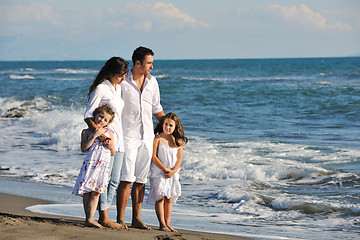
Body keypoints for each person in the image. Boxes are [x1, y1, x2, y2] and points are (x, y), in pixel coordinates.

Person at [117, 46, 165, 229]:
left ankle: (136, 219)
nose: (152, 66)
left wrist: (173, 127)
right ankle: (120, 219)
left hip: (147, 138)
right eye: (149, 63)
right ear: (138, 63)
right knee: (126, 179)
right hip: (127, 137)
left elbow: (156, 108)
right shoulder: (122, 81)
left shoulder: (153, 82)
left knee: (140, 181)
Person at [83, 56, 129, 228]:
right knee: (105, 178)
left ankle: (105, 214)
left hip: (119, 139)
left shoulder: (117, 88)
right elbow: (88, 115)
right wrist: (101, 134)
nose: (124, 78)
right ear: (111, 73)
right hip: (104, 141)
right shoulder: (101, 89)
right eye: (121, 75)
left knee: (115, 179)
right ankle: (104, 217)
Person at [72, 105, 116, 229]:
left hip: (102, 167)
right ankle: (88, 218)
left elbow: (113, 152)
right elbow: (84, 148)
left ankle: (91, 218)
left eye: (105, 120)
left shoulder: (110, 133)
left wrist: (110, 145)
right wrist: (95, 135)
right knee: (87, 192)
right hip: (91, 165)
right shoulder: (86, 132)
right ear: (95, 116)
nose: (102, 120)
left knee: (96, 192)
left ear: (108, 122)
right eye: (100, 116)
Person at [147, 112, 188, 232]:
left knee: (169, 198)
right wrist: (165, 169)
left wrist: (173, 171)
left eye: (171, 125)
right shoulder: (157, 138)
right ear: (162, 124)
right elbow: (153, 157)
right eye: (166, 124)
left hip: (172, 174)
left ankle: (168, 223)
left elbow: (179, 158)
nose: (167, 127)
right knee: (160, 197)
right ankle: (162, 224)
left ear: (175, 127)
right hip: (159, 172)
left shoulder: (178, 141)